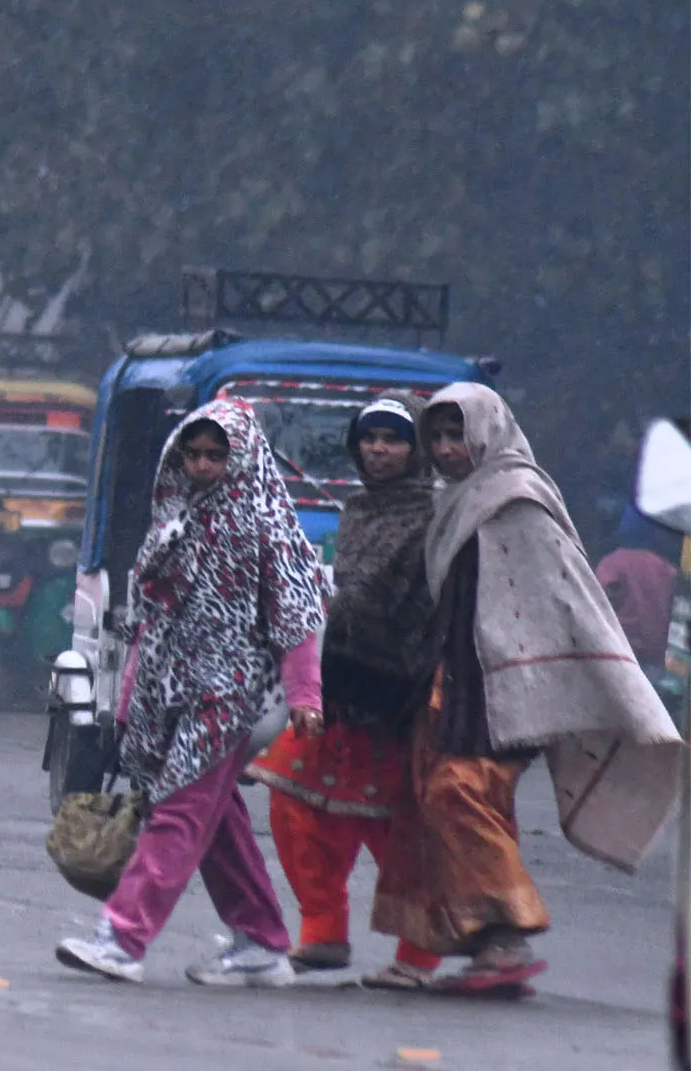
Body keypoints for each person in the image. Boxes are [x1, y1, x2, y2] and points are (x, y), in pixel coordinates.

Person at [368, 384, 681, 995]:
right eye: (436, 437)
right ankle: (425, 951)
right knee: (429, 802)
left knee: (460, 794)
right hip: (452, 679)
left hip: (507, 686)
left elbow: (563, 596)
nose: (446, 449)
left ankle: (504, 938)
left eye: (456, 435)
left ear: (487, 432)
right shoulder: (454, 499)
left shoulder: (517, 497)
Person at [57, 398, 326, 986]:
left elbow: (297, 615)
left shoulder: (266, 525)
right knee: (217, 821)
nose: (204, 465)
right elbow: (150, 618)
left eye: (216, 454)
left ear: (243, 455)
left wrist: (306, 694)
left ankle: (122, 938)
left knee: (177, 813)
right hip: (167, 694)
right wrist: (129, 704)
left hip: (229, 695)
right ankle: (260, 940)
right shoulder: (172, 519)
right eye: (194, 453)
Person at [247, 394, 444, 985]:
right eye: (369, 438)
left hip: (404, 695)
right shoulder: (359, 509)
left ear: (417, 451)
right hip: (342, 687)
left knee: (397, 830)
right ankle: (323, 931)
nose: (378, 449)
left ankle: (418, 955)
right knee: (295, 802)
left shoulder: (438, 514)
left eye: (393, 439)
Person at [595, 503, 682, 672]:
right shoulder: (666, 569)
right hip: (657, 665)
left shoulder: (612, 564)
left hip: (620, 658)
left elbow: (595, 607)